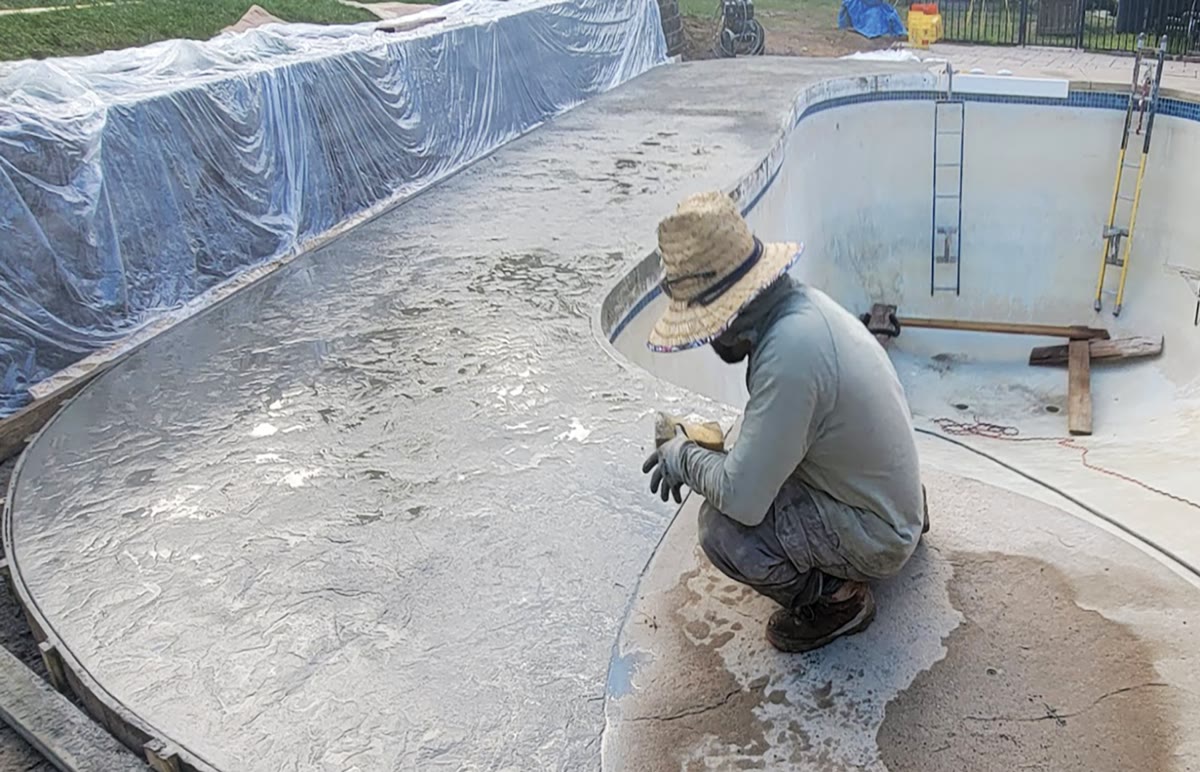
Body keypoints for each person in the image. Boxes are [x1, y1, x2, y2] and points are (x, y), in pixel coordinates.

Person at [641, 191, 927, 653]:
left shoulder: (790, 355)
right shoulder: (802, 311)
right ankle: (872, 536)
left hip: (883, 530)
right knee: (747, 467)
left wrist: (683, 457)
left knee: (723, 531)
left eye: (708, 328)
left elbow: (743, 500)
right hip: (890, 496)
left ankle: (838, 602)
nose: (710, 341)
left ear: (730, 314)